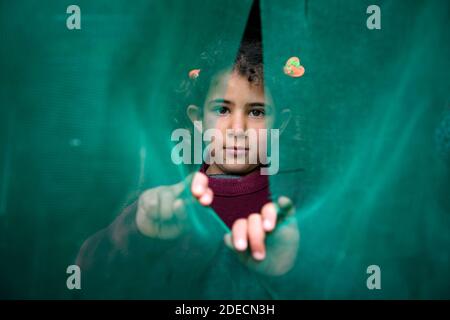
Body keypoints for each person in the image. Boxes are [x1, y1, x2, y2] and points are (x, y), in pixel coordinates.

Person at [77, 40, 300, 299]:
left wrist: (289, 272)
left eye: (257, 112)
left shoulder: (291, 208)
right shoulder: (166, 200)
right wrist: (138, 231)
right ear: (198, 119)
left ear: (280, 123)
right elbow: (88, 277)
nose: (238, 129)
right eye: (222, 109)